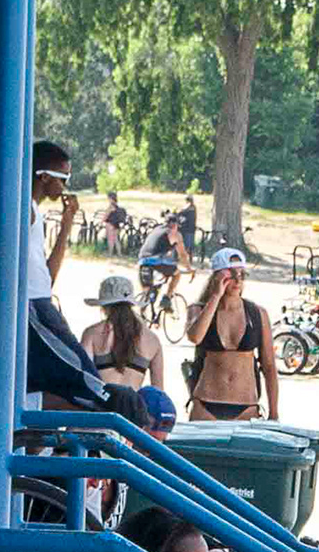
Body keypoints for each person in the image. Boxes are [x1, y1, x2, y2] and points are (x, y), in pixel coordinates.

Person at [185, 247, 280, 422]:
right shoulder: (199, 309)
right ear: (216, 277)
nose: (237, 280)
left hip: (246, 405)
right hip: (206, 403)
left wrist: (274, 412)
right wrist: (215, 296)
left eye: (242, 275)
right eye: (231, 275)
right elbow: (195, 337)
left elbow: (269, 366)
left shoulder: (257, 314)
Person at [80, 272, 167, 417]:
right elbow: (158, 393)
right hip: (131, 418)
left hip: (98, 415)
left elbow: (83, 379)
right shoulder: (152, 340)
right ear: (131, 304)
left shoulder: (92, 334)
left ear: (104, 306)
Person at [27, 141, 78, 304]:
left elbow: (48, 279)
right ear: (45, 176)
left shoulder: (34, 212)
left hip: (39, 298)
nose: (65, 187)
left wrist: (66, 226)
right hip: (31, 302)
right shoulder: (26, 211)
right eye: (63, 179)